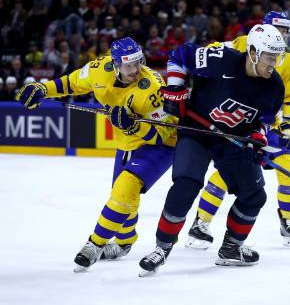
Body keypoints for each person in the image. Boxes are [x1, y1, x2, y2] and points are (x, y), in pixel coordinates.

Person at [14, 37, 177, 272]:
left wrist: (135, 126)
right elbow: (71, 83)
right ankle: (124, 243)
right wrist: (43, 89)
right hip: (128, 141)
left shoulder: (152, 87)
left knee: (125, 189)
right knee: (122, 198)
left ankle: (95, 244)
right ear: (116, 63)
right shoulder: (99, 69)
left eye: (138, 63)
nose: (135, 70)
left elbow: (163, 132)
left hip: (161, 143)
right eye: (129, 65)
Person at [138, 24, 286, 276]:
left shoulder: (274, 86)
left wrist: (257, 141)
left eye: (277, 57)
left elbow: (263, 122)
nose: (273, 63)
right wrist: (175, 88)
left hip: (232, 140)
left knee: (255, 196)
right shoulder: (220, 59)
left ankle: (231, 248)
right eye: (269, 56)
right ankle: (162, 247)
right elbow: (180, 55)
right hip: (196, 131)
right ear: (252, 52)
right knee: (186, 185)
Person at [186, 11, 290, 250]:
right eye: (278, 29)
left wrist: (288, 123)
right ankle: (200, 222)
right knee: (227, 172)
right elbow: (212, 52)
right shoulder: (244, 43)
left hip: (268, 123)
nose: (283, 35)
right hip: (241, 120)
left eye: (286, 30)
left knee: (289, 166)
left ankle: (288, 222)